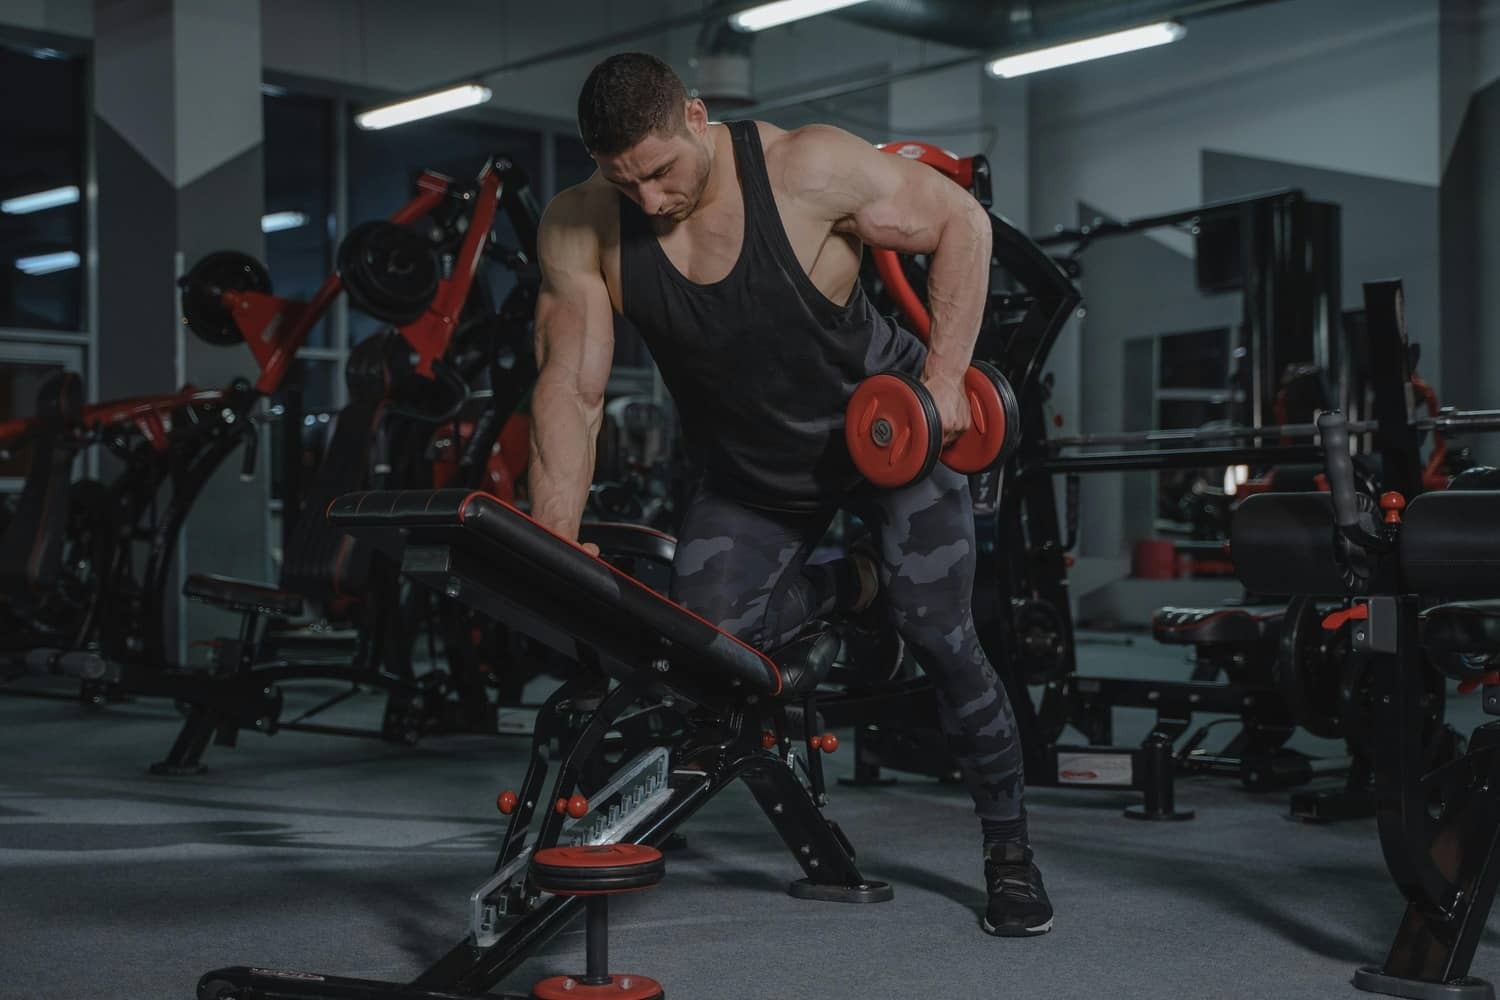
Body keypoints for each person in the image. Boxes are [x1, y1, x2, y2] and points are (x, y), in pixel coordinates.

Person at [527, 51, 1049, 938]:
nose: (649, 199)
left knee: (943, 636)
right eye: (626, 181)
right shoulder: (581, 225)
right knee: (707, 653)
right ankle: (856, 586)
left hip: (886, 445)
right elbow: (571, 388)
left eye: (660, 171)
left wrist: (950, 376)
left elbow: (961, 220)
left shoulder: (805, 167)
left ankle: (1009, 851)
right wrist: (553, 538)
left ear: (695, 116)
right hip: (751, 473)